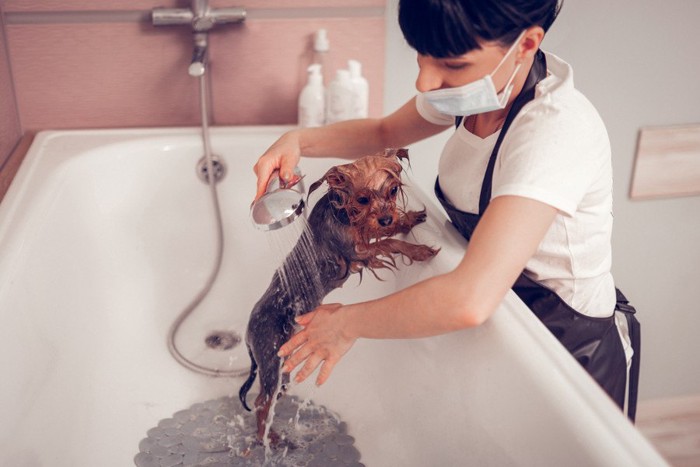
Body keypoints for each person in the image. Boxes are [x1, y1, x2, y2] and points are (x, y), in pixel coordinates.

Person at [253, 0, 640, 419]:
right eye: (421, 55)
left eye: (452, 64)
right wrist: (298, 141)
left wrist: (347, 324)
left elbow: (470, 299)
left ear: (526, 44)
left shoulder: (554, 130)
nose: (425, 81)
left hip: (568, 351)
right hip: (505, 320)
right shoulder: (477, 92)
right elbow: (385, 130)